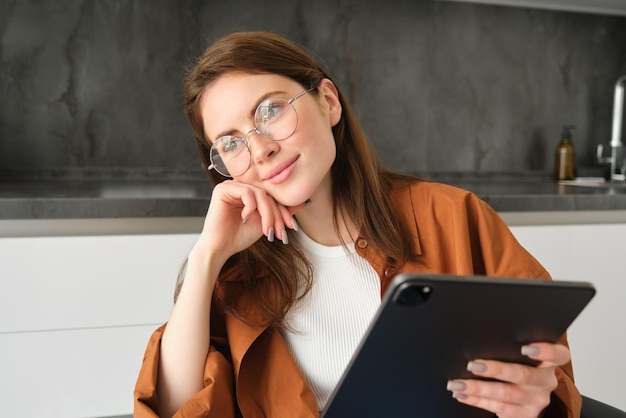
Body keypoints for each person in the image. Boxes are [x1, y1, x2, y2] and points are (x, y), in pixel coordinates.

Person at [134, 31, 581, 418]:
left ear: (328, 102)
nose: (260, 150)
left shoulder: (454, 215)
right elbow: (176, 407)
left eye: (270, 111)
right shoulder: (232, 273)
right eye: (231, 143)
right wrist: (207, 256)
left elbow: (546, 379)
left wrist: (536, 399)